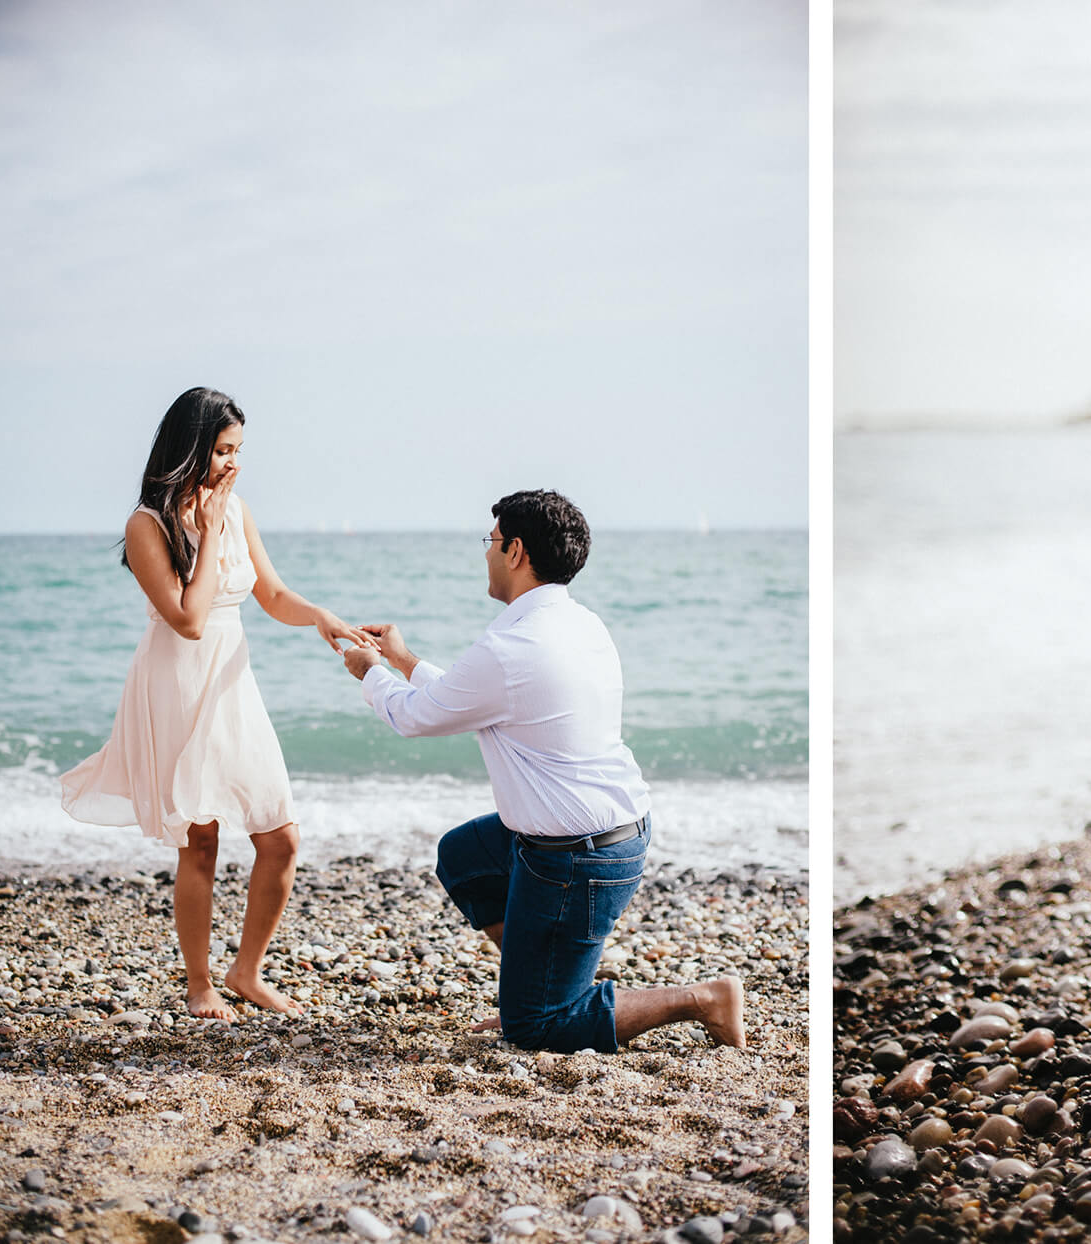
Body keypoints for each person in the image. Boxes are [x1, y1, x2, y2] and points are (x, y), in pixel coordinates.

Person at [341, 489, 745, 1053]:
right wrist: (404, 661)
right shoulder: (578, 624)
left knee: (537, 1027)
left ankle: (701, 998)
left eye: (491, 540)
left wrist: (368, 671)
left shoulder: (513, 645)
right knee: (463, 855)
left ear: (515, 551)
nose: (485, 553)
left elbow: (416, 717)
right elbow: (467, 694)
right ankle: (540, 979)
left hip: (577, 858)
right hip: (608, 835)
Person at [62, 387, 376, 1022]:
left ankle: (246, 971)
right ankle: (200, 983)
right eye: (224, 450)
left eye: (239, 451)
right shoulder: (146, 525)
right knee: (199, 840)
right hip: (176, 681)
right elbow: (189, 619)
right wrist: (206, 533)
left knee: (281, 836)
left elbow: (273, 593)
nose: (234, 463)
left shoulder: (238, 511)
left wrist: (320, 617)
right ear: (191, 449)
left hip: (233, 684)